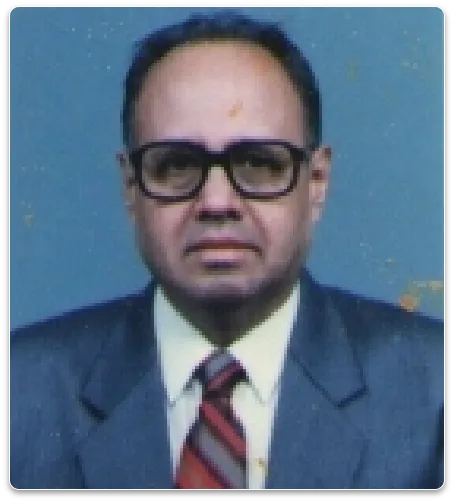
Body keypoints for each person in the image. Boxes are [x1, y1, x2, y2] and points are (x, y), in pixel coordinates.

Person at [10, 11, 443, 489]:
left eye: (258, 163)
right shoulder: (20, 393)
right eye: (177, 165)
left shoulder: (433, 391)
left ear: (317, 182)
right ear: (131, 185)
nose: (217, 202)